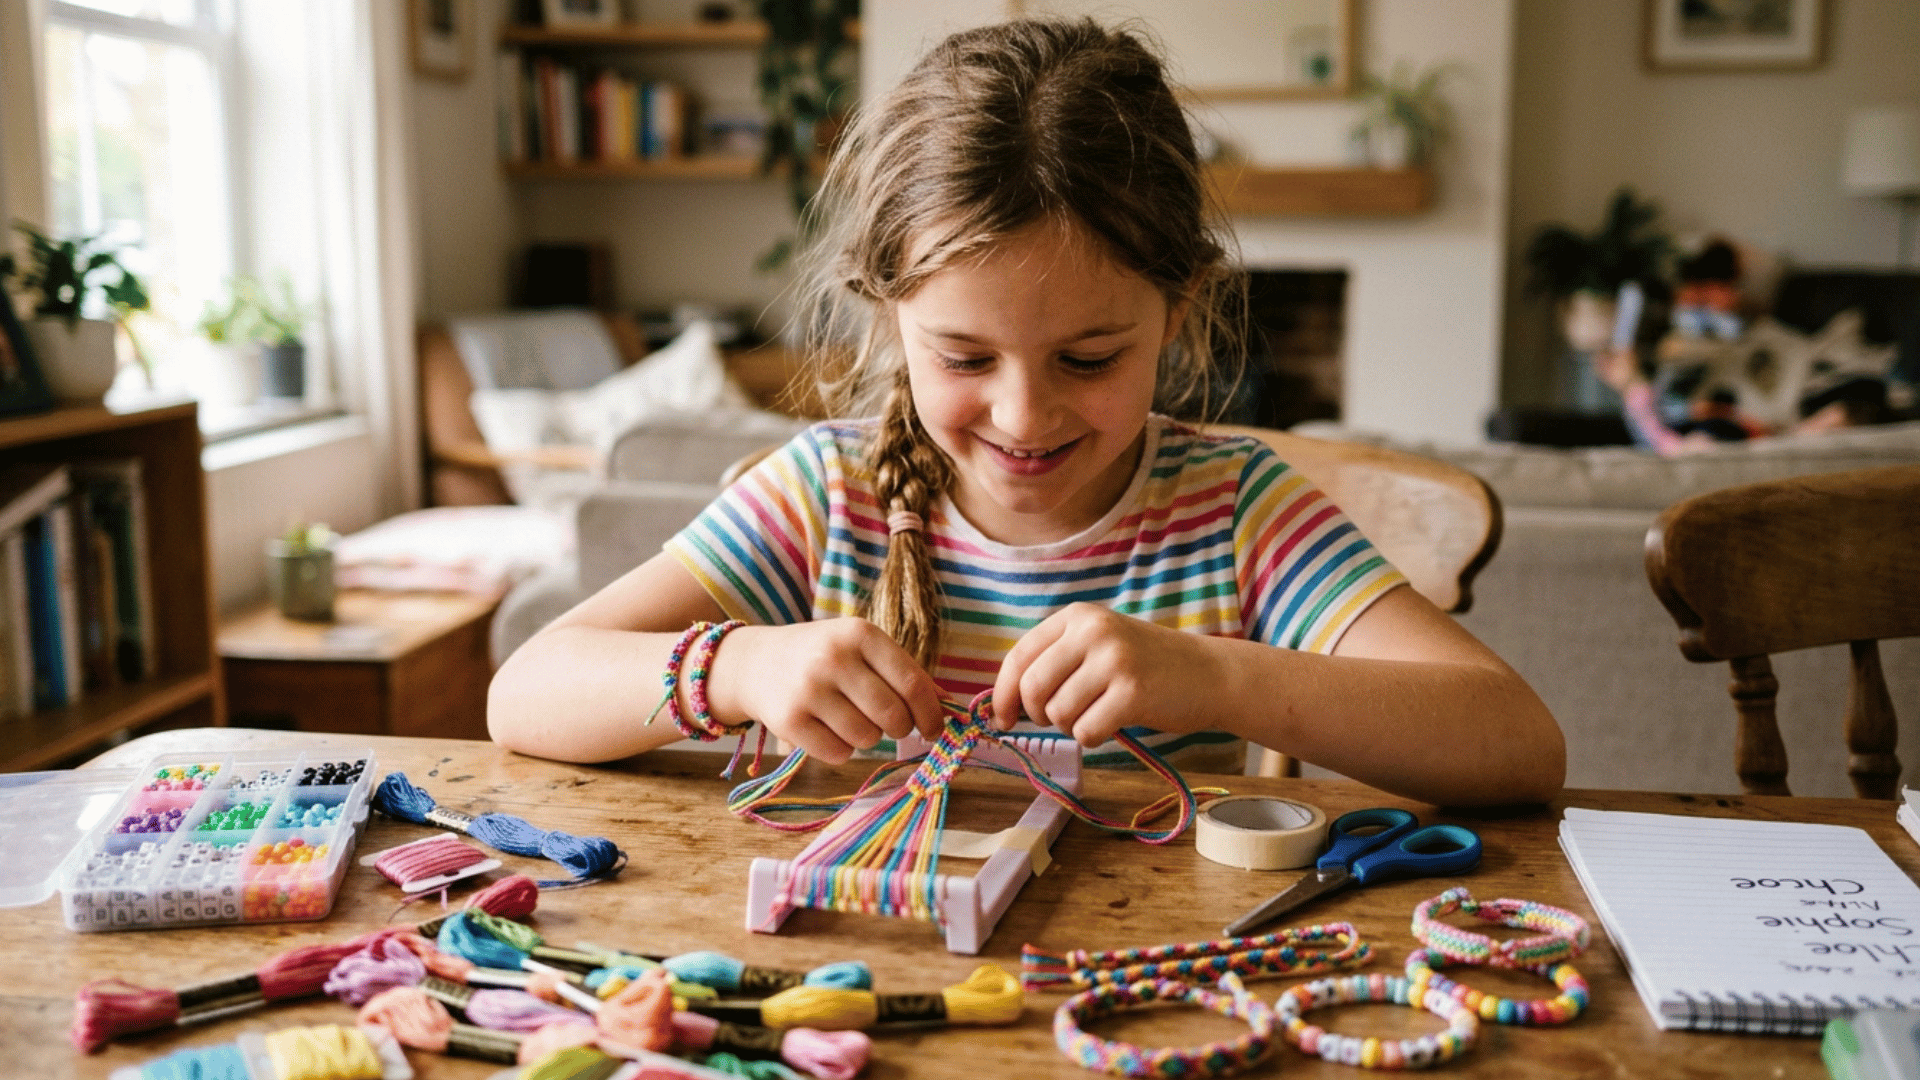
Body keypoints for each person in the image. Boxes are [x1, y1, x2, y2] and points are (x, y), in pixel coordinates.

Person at [489, 18, 1564, 807]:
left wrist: (1220, 677)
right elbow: (527, 690)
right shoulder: (827, 494)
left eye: (1089, 356)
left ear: (1179, 313)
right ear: (888, 318)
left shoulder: (1234, 512)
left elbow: (1517, 743)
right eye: (962, 355)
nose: (1024, 412)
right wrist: (735, 668)